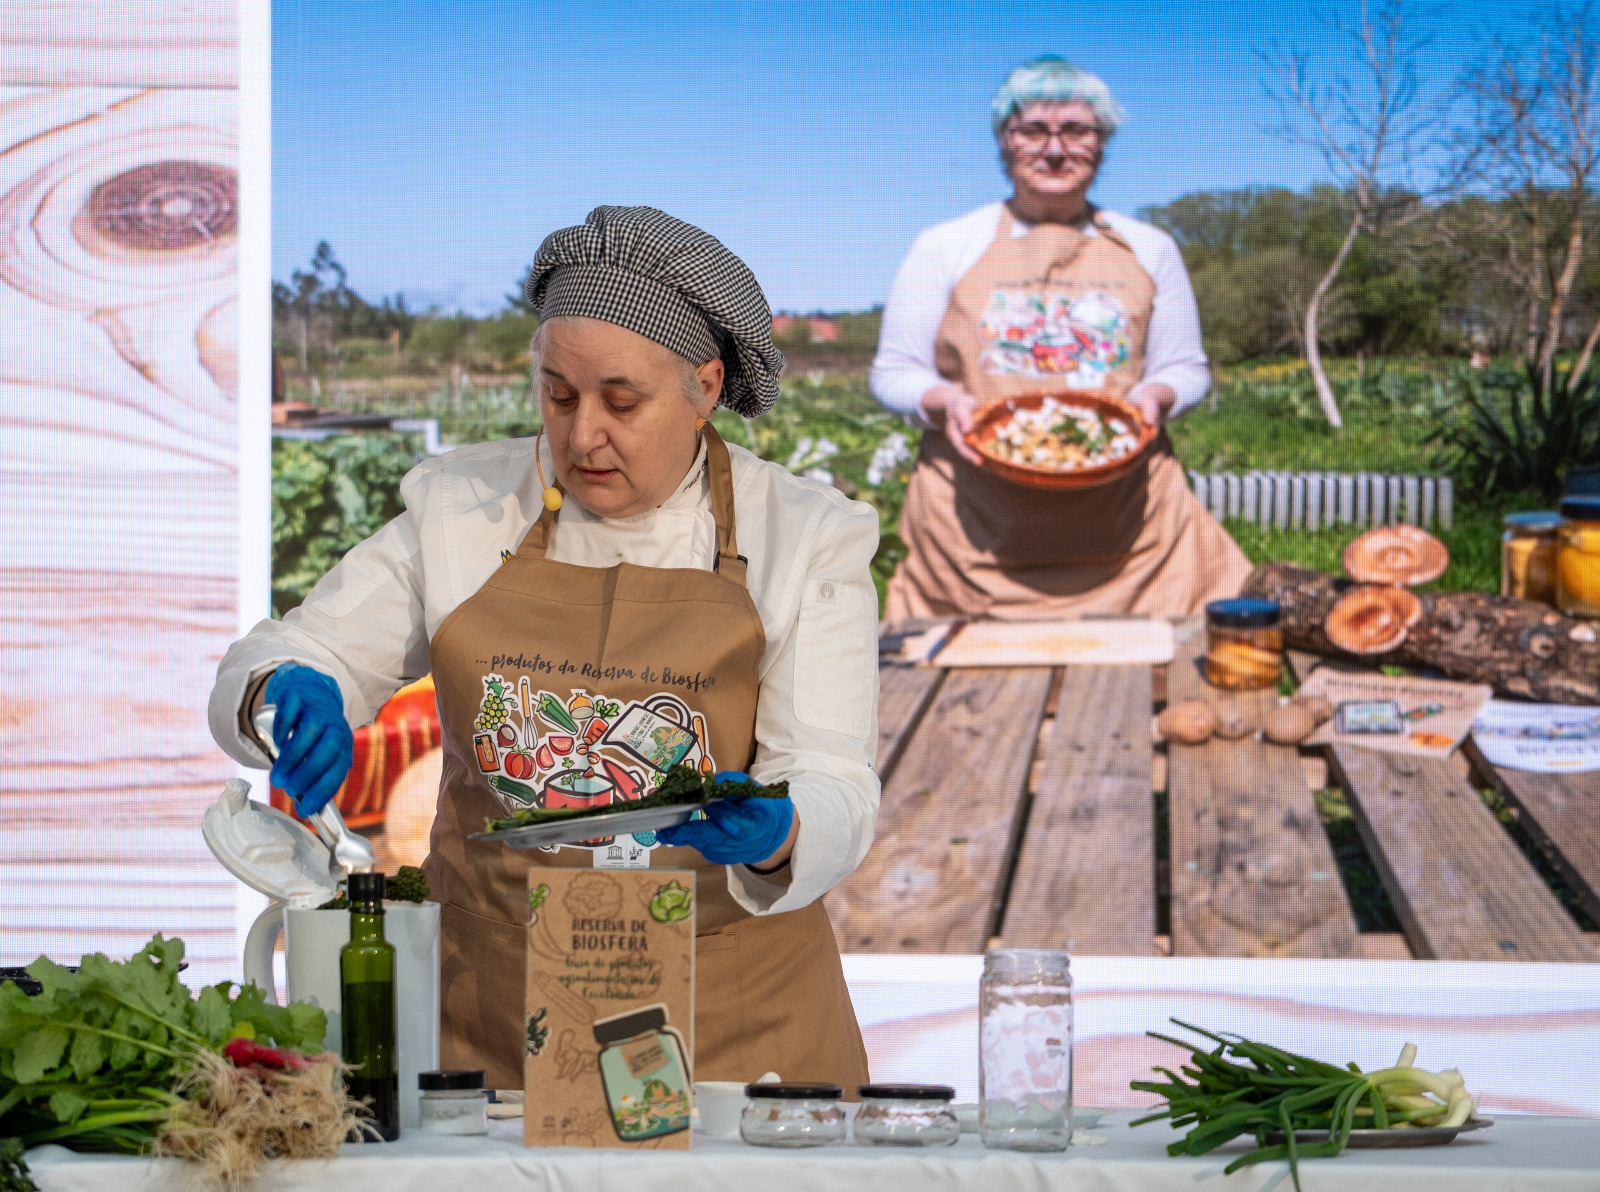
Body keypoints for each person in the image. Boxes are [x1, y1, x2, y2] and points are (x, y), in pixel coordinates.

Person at [210, 206, 878, 1091]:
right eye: (557, 395)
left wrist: (783, 831)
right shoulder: (462, 506)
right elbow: (306, 644)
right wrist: (287, 689)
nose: (581, 435)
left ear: (707, 385)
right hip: (493, 1020)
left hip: (734, 1036)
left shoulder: (804, 535)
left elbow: (832, 775)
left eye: (622, 400)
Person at [872, 57, 1250, 620]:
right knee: (975, 703)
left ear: (1103, 144)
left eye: (1077, 130)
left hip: (1134, 540)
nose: (1054, 149)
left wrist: (1156, 398)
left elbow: (1186, 367)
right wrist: (945, 399)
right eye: (1032, 130)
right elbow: (894, 371)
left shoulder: (1148, 248)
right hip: (976, 539)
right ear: (1004, 142)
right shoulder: (945, 245)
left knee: (1163, 695)